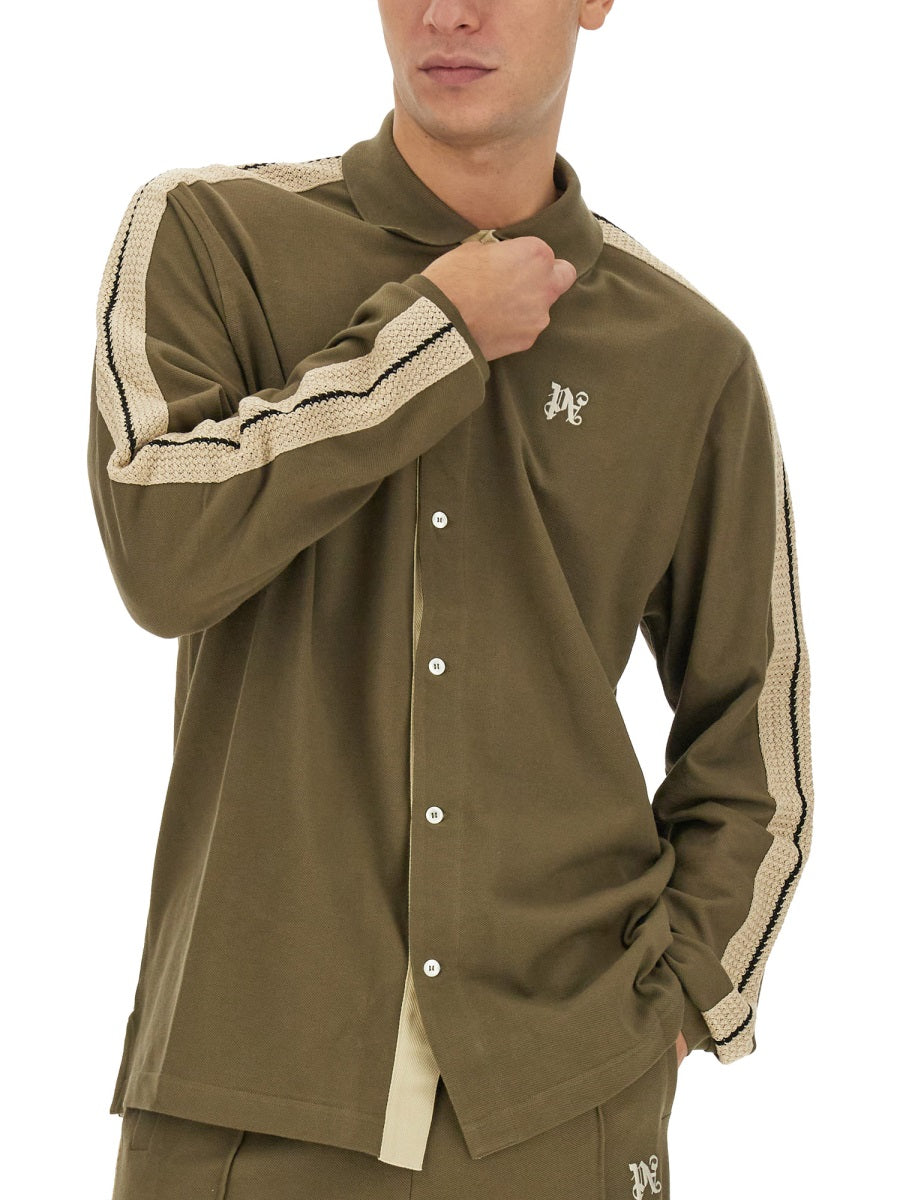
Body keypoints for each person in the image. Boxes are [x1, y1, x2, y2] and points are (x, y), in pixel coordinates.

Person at [88, 1, 815, 1197]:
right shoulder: (212, 237)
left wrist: (686, 999)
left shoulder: (689, 355)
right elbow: (159, 551)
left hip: (564, 1105)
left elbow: (756, 733)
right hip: (245, 1098)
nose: (449, 11)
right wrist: (431, 337)